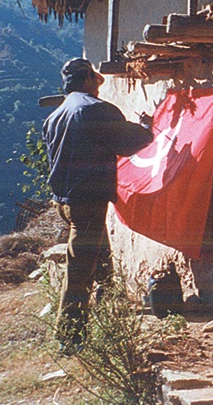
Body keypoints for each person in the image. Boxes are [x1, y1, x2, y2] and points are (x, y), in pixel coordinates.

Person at [42, 58, 153, 350]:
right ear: (90, 80)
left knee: (100, 258)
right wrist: (145, 127)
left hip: (64, 202)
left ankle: (110, 309)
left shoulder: (55, 116)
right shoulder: (95, 110)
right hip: (87, 201)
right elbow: (128, 143)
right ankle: (70, 337)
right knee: (79, 272)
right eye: (97, 80)